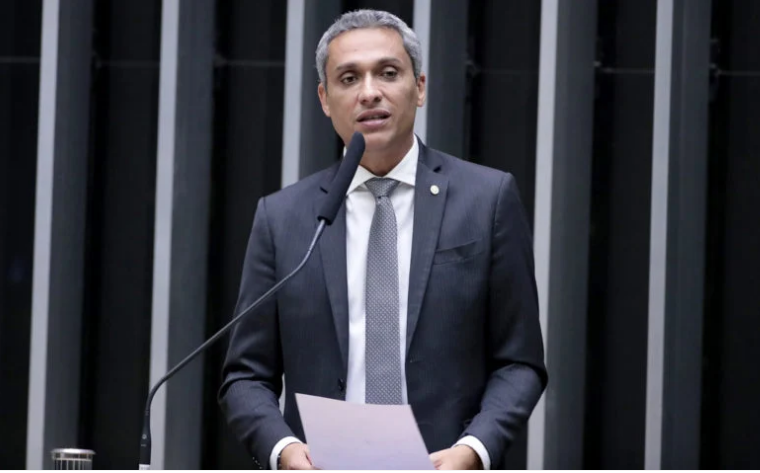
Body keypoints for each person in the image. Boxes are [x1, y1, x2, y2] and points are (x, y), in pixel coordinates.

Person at [219, 9, 547, 470]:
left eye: (388, 73)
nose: (369, 92)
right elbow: (245, 376)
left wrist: (472, 450)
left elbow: (519, 361)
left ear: (420, 87)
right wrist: (285, 451)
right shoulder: (283, 218)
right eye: (349, 78)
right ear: (325, 99)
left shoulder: (487, 200)